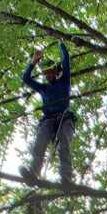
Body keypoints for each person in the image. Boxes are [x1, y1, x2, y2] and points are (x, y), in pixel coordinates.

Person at [19, 41, 76, 192]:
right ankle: (33, 174)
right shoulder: (43, 88)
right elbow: (25, 79)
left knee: (65, 145)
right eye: (45, 73)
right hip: (49, 119)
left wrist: (61, 42)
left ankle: (66, 179)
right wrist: (34, 61)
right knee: (39, 144)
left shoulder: (64, 82)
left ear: (55, 72)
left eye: (49, 72)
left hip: (65, 117)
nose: (47, 76)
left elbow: (66, 59)